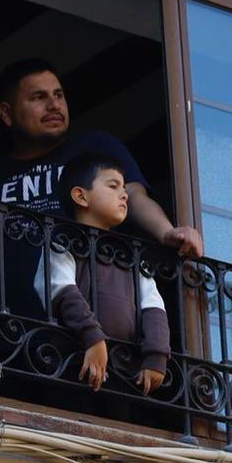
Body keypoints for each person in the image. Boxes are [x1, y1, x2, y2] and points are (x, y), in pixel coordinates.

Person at [0, 57, 204, 318]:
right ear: (7, 114)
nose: (54, 105)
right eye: (38, 97)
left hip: (84, 332)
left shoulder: (93, 147)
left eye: (58, 95)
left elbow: (133, 195)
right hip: (1, 335)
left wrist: (167, 232)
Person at [44, 156, 170, 397]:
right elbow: (61, 290)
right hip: (74, 365)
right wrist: (93, 338)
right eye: (113, 186)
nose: (124, 195)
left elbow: (153, 306)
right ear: (81, 196)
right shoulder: (63, 242)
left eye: (124, 188)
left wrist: (156, 356)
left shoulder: (130, 255)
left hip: (125, 372)